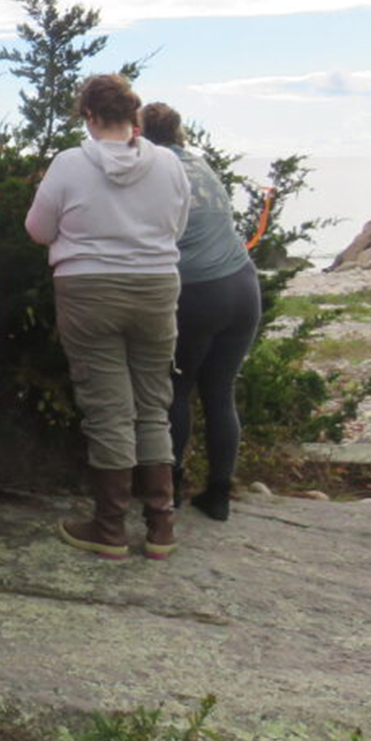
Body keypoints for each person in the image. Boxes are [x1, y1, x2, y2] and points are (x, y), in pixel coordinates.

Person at [24, 74, 189, 561]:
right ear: (134, 117)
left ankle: (110, 526)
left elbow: (38, 229)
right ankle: (161, 526)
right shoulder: (169, 164)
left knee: (108, 407)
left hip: (88, 287)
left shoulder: (70, 164)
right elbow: (178, 226)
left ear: (88, 116)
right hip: (158, 285)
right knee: (153, 403)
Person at [138, 102, 262, 522]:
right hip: (243, 284)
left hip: (197, 292)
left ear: (142, 134)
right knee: (220, 392)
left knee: (177, 389)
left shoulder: (154, 169)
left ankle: (169, 488)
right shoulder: (201, 163)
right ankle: (220, 493)